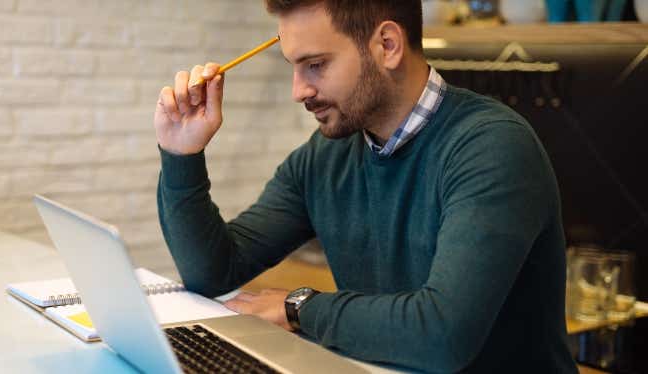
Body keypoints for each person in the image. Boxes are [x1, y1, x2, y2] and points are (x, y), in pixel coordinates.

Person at [153, 0, 577, 372]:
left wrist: (299, 307)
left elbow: (443, 334)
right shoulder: (323, 157)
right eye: (294, 66)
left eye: (316, 65)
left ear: (387, 45)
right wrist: (181, 156)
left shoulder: (492, 146)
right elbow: (214, 271)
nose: (298, 91)